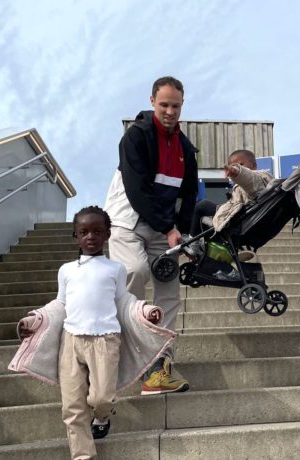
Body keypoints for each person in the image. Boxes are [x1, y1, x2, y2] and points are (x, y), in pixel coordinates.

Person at [10, 206, 177, 460]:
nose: (91, 237)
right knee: (73, 408)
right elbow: (60, 304)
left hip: (106, 341)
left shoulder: (115, 269)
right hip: (71, 342)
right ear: (75, 236)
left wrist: (145, 311)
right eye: (84, 232)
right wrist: (34, 320)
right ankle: (83, 455)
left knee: (101, 399)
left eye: (98, 231)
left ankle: (102, 417)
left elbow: (123, 301)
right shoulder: (66, 270)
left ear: (108, 235)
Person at [103, 76, 197, 395]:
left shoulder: (186, 149)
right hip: (127, 220)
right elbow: (137, 190)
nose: (170, 111)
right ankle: (117, 348)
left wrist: (182, 232)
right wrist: (169, 228)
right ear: (152, 101)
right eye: (164, 104)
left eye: (176, 106)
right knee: (135, 271)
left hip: (163, 227)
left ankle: (158, 366)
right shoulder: (136, 137)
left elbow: (188, 195)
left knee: (169, 287)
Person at [186, 149, 273, 269]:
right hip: (239, 217)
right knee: (204, 216)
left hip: (239, 221)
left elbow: (251, 180)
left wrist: (238, 172)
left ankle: (193, 245)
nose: (235, 167)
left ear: (254, 165)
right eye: (232, 166)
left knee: (202, 205)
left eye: (240, 164)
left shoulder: (259, 177)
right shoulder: (249, 183)